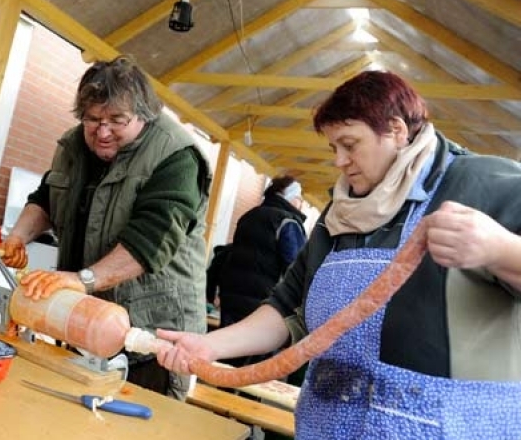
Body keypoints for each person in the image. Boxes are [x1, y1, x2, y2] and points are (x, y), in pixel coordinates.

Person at [156, 70, 521, 438]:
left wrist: (499, 248)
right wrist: (207, 344)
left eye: (350, 144)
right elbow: (287, 308)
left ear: (396, 130)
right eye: (334, 148)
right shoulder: (339, 215)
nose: (339, 161)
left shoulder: (480, 184)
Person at [0, 55, 212, 400]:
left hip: (154, 331)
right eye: (92, 119)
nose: (102, 132)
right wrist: (18, 236)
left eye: (117, 120)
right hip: (87, 319)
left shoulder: (175, 156)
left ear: (144, 114)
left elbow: (151, 241)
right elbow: (46, 197)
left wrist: (80, 280)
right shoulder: (74, 145)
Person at [213, 175, 307, 368]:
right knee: (255, 369)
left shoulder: (249, 216)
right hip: (263, 305)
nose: (301, 202)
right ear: (291, 198)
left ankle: (220, 392)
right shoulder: (288, 222)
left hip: (232, 298)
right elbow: (296, 270)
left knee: (228, 359)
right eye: (300, 196)